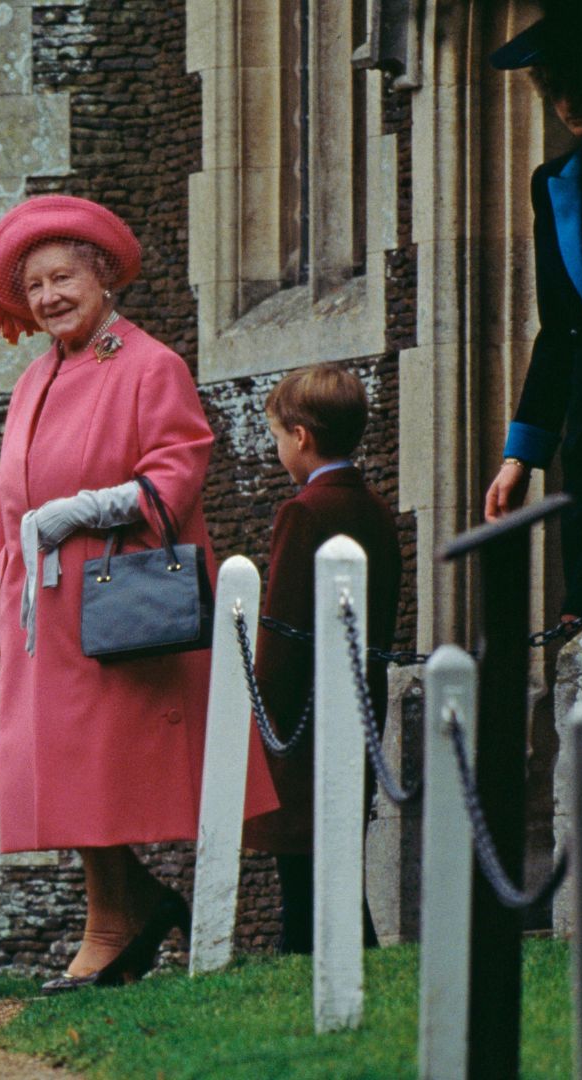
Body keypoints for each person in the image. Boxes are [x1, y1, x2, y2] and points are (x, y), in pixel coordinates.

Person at [0, 195, 276, 993]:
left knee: (97, 770)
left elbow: (179, 472)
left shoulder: (150, 365)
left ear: (102, 278)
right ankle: (124, 909)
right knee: (67, 774)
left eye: (62, 277)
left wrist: (87, 508)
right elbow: (9, 504)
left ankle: (118, 920)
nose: (46, 298)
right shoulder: (37, 377)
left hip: (112, 598)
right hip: (41, 609)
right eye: (33, 286)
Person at [239, 364, 403, 953]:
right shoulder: (376, 509)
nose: (279, 448)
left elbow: (282, 629)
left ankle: (305, 960)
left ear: (302, 437)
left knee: (304, 874)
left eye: (279, 436)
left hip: (302, 720)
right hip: (359, 705)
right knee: (340, 860)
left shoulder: (303, 512)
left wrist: (266, 710)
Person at [483, 18, 582, 619]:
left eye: (580, 82)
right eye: (553, 86)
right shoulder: (553, 184)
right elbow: (560, 330)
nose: (566, 101)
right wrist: (521, 458)